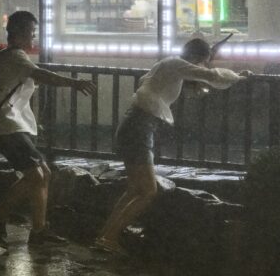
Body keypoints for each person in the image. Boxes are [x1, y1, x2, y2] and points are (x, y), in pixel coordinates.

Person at [94, 38, 251, 254]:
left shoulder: (170, 65)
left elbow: (201, 77)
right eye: (204, 61)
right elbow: (212, 76)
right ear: (198, 58)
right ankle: (109, 237)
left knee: (134, 189)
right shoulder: (176, 65)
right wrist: (239, 77)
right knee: (149, 190)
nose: (204, 66)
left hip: (135, 125)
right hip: (141, 128)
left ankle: (105, 235)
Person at [0, 11, 96, 249]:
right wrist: (75, 83)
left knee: (42, 174)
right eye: (32, 33)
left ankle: (33, 228)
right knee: (38, 175)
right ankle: (4, 221)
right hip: (6, 128)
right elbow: (41, 74)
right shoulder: (16, 57)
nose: (34, 37)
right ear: (21, 33)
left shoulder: (12, 57)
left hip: (12, 127)